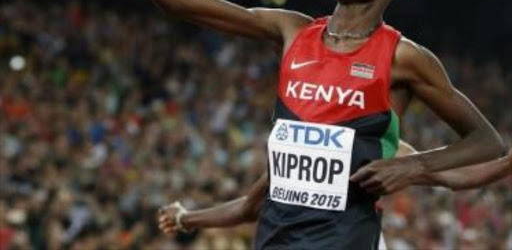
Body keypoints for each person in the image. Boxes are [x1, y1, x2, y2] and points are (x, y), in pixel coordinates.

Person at [35, 0, 506, 249]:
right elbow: (182, 1)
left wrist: (415, 167)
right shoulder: (292, 30)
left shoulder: (403, 58)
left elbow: (485, 144)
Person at [156, 142, 512, 247]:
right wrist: (187, 219)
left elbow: (459, 175)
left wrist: (188, 218)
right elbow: (251, 206)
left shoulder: (377, 148)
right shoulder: (294, 141)